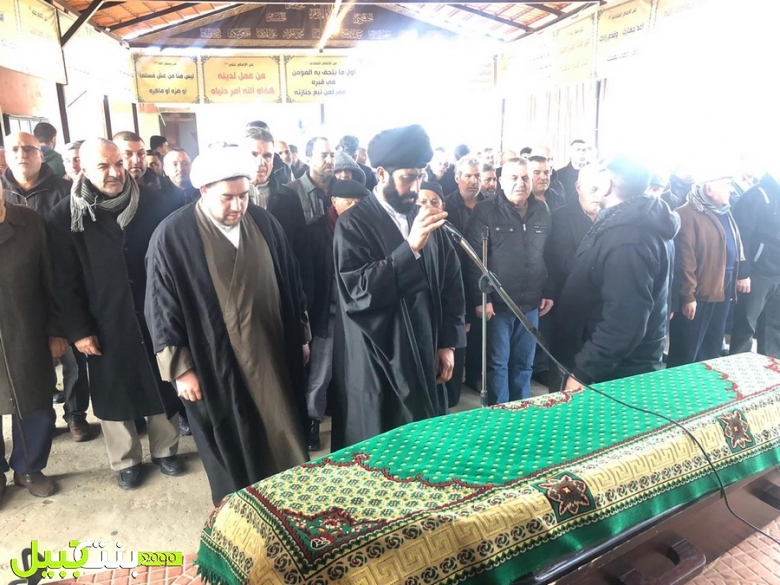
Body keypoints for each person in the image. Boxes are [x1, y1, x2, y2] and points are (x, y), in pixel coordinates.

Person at [145, 147, 311, 505]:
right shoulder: (173, 235)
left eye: (243, 196)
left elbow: (292, 282)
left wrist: (302, 336)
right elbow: (161, 306)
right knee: (232, 441)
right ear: (204, 190)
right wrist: (181, 369)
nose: (237, 206)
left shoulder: (265, 223)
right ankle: (241, 511)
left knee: (283, 424)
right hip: (214, 361)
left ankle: (287, 501)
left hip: (273, 350)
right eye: (227, 198)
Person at [47, 138, 184, 490]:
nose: (115, 172)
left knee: (162, 380)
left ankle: (166, 450)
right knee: (114, 389)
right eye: (103, 166)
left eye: (118, 164)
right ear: (82, 169)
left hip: (153, 311)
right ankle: (126, 459)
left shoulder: (153, 202)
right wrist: (79, 329)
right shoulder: (65, 216)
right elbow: (64, 280)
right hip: (103, 317)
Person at [332, 124, 465, 449]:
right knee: (383, 449)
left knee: (427, 445)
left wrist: (447, 343)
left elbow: (451, 283)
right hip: (379, 359)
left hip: (427, 348)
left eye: (420, 176)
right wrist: (410, 248)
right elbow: (359, 293)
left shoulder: (426, 219)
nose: (415, 188)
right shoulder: (352, 225)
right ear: (381, 173)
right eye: (407, 178)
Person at [555, 157, 680, 388]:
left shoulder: (628, 240)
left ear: (607, 184)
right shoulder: (633, 223)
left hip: (613, 372)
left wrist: (584, 371)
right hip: (612, 363)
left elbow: (624, 321)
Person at [465, 158, 554, 404]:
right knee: (498, 363)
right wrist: (481, 298)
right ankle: (501, 413)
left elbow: (550, 254)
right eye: (513, 178)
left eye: (525, 178)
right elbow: (473, 259)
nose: (520, 183)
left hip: (531, 304)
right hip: (498, 304)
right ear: (501, 181)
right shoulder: (485, 211)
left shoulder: (542, 210)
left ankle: (522, 409)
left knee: (524, 363)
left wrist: (549, 290)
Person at [0, 180, 67, 498]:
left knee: (36, 402)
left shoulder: (30, 222)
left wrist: (56, 329)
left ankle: (29, 468)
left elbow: (51, 278)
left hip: (28, 331)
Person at [305, 179, 369, 451]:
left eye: (359, 203)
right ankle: (312, 421)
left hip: (356, 314)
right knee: (320, 373)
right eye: (348, 202)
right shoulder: (315, 231)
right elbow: (306, 276)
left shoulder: (366, 228)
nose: (354, 207)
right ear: (333, 202)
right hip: (326, 313)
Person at [668, 172, 743, 367]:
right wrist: (688, 295)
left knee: (711, 346)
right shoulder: (686, 213)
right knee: (687, 350)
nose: (731, 189)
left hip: (721, 285)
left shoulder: (724, 211)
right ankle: (679, 385)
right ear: (709, 189)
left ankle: (703, 382)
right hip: (699, 291)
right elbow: (685, 259)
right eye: (726, 184)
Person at [242, 127, 312, 302]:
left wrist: (304, 296)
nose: (261, 162)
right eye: (254, 154)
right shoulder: (229, 199)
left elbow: (302, 250)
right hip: (243, 287)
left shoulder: (288, 197)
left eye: (267, 156)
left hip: (281, 287)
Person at [444, 156, 489, 403]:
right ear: (457, 177)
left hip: (484, 279)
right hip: (457, 278)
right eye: (468, 175)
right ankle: (453, 390)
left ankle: (475, 376)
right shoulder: (447, 205)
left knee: (482, 337)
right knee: (460, 334)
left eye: (477, 176)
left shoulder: (490, 204)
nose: (473, 181)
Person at [729, 169, 780, 358]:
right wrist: (743, 273)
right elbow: (742, 236)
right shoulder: (755, 195)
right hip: (756, 274)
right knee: (746, 326)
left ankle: (770, 368)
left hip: (777, 274)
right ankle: (737, 366)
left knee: (774, 327)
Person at [545, 164, 602, 301]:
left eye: (603, 190)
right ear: (578, 187)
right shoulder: (561, 218)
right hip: (572, 296)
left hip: (604, 297)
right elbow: (565, 261)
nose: (599, 195)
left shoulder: (614, 217)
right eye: (594, 189)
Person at [1, 132, 71, 216]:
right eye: (14, 150)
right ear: (6, 157)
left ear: (41, 156)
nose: (21, 155)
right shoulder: (1, 189)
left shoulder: (66, 191)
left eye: (28, 149)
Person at [113, 132, 185, 208]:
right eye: (128, 154)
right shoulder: (109, 190)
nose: (136, 160)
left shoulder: (166, 187)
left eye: (141, 154)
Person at [285, 136, 335, 221]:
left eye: (332, 155)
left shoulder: (343, 189)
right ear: (308, 160)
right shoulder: (291, 191)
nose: (330, 160)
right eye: (323, 156)